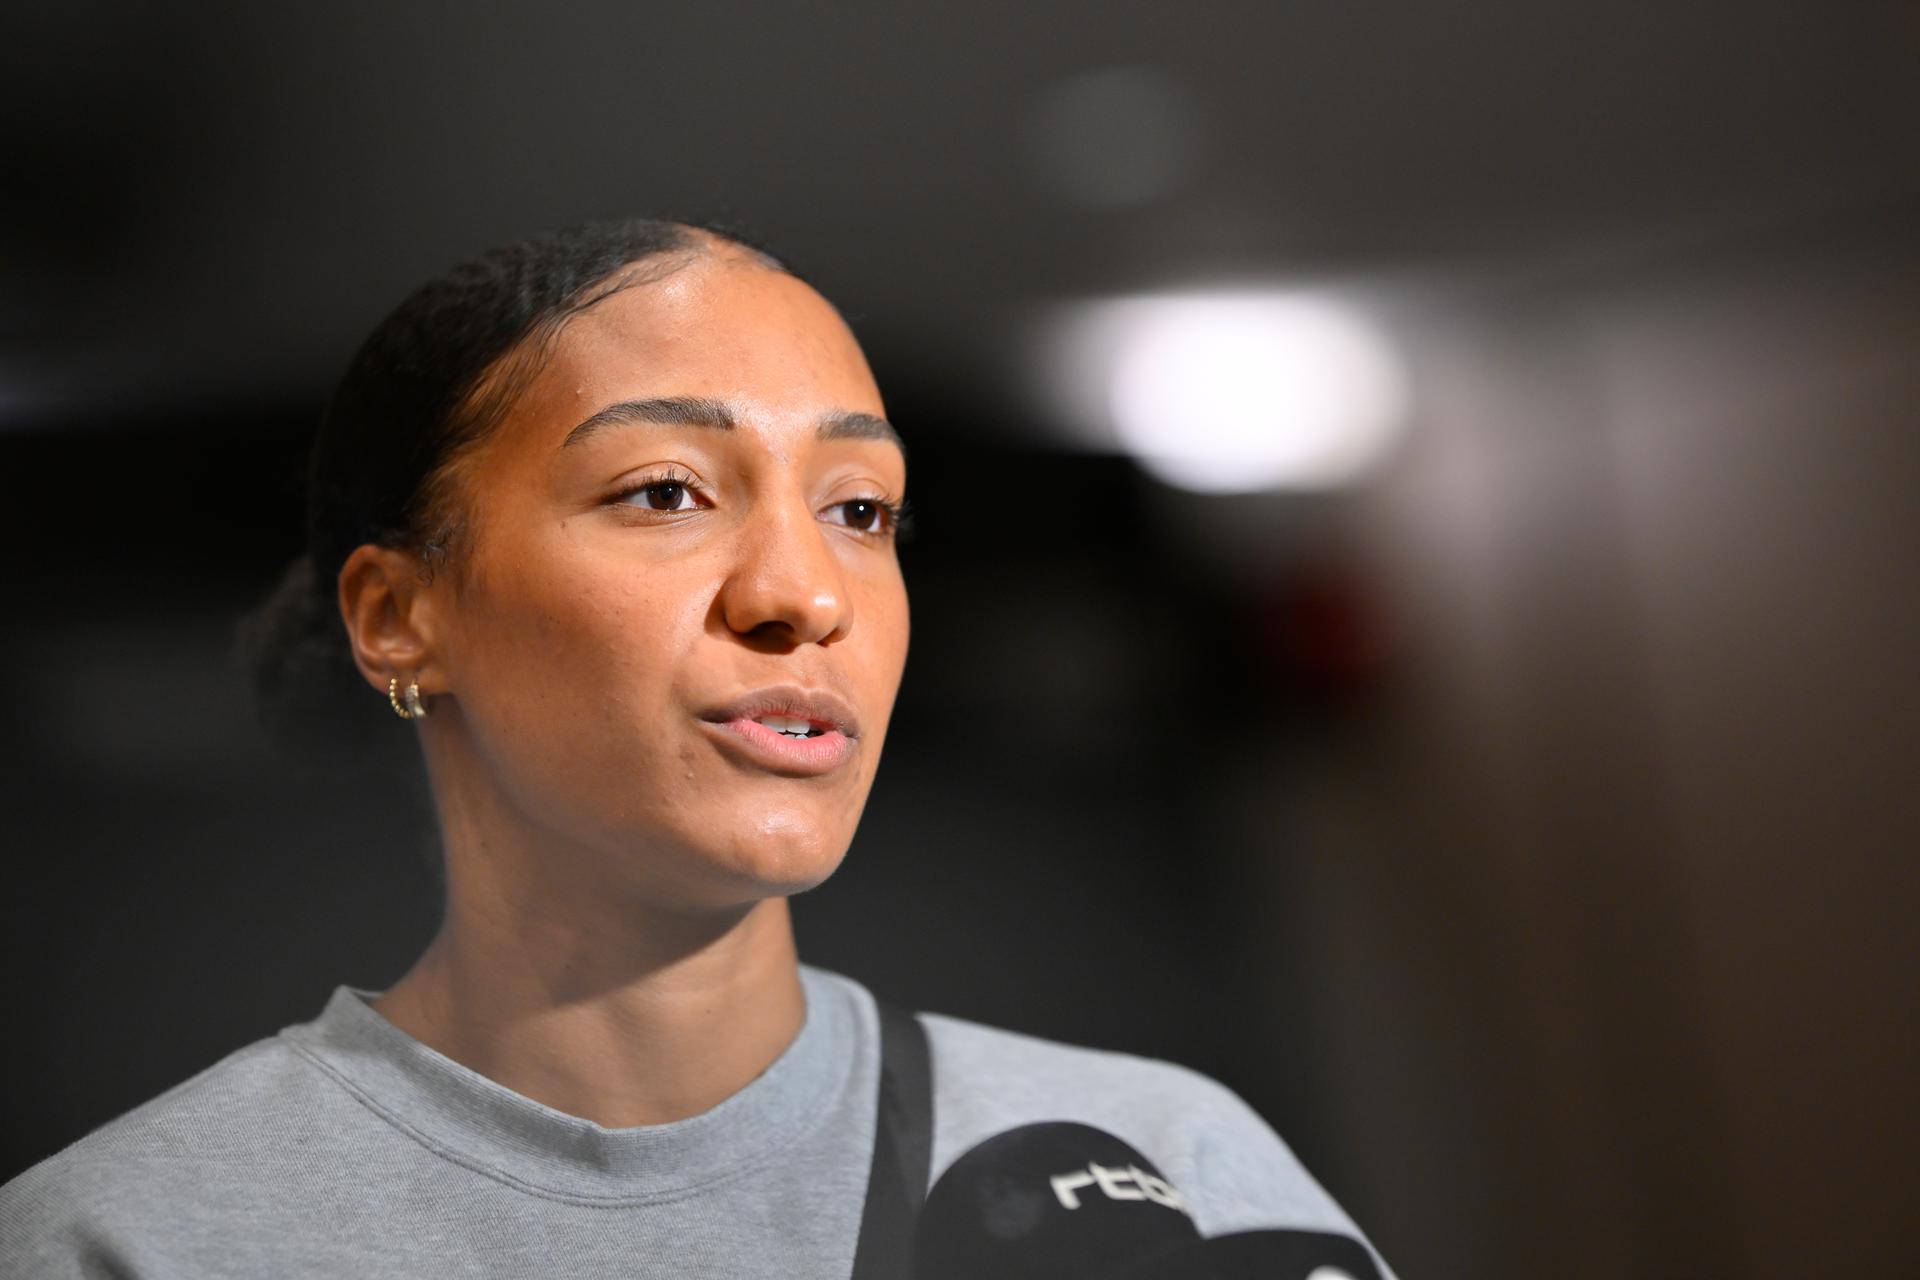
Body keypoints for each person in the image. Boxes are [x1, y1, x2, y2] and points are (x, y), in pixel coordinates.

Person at [0, 218, 1391, 1277]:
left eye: (860, 511)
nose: (807, 593)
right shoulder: (124, 1241)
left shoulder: (1171, 1166)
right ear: (399, 615)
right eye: (665, 490)